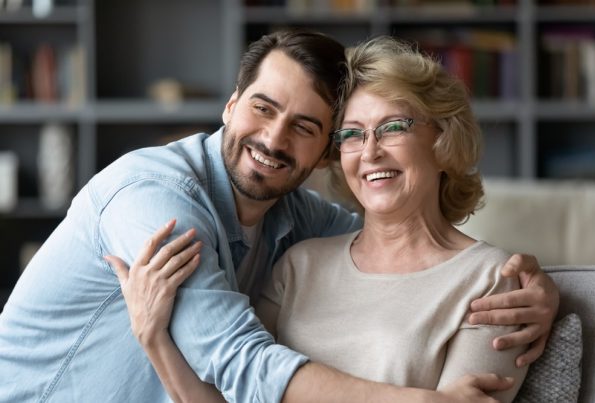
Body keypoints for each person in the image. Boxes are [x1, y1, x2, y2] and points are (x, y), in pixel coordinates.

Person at [0, 30, 557, 402]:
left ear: (321, 154)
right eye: (263, 108)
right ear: (230, 104)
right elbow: (235, 360)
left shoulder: (299, 223)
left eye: (306, 127)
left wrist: (547, 283)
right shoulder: (153, 197)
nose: (273, 138)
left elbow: (405, 247)